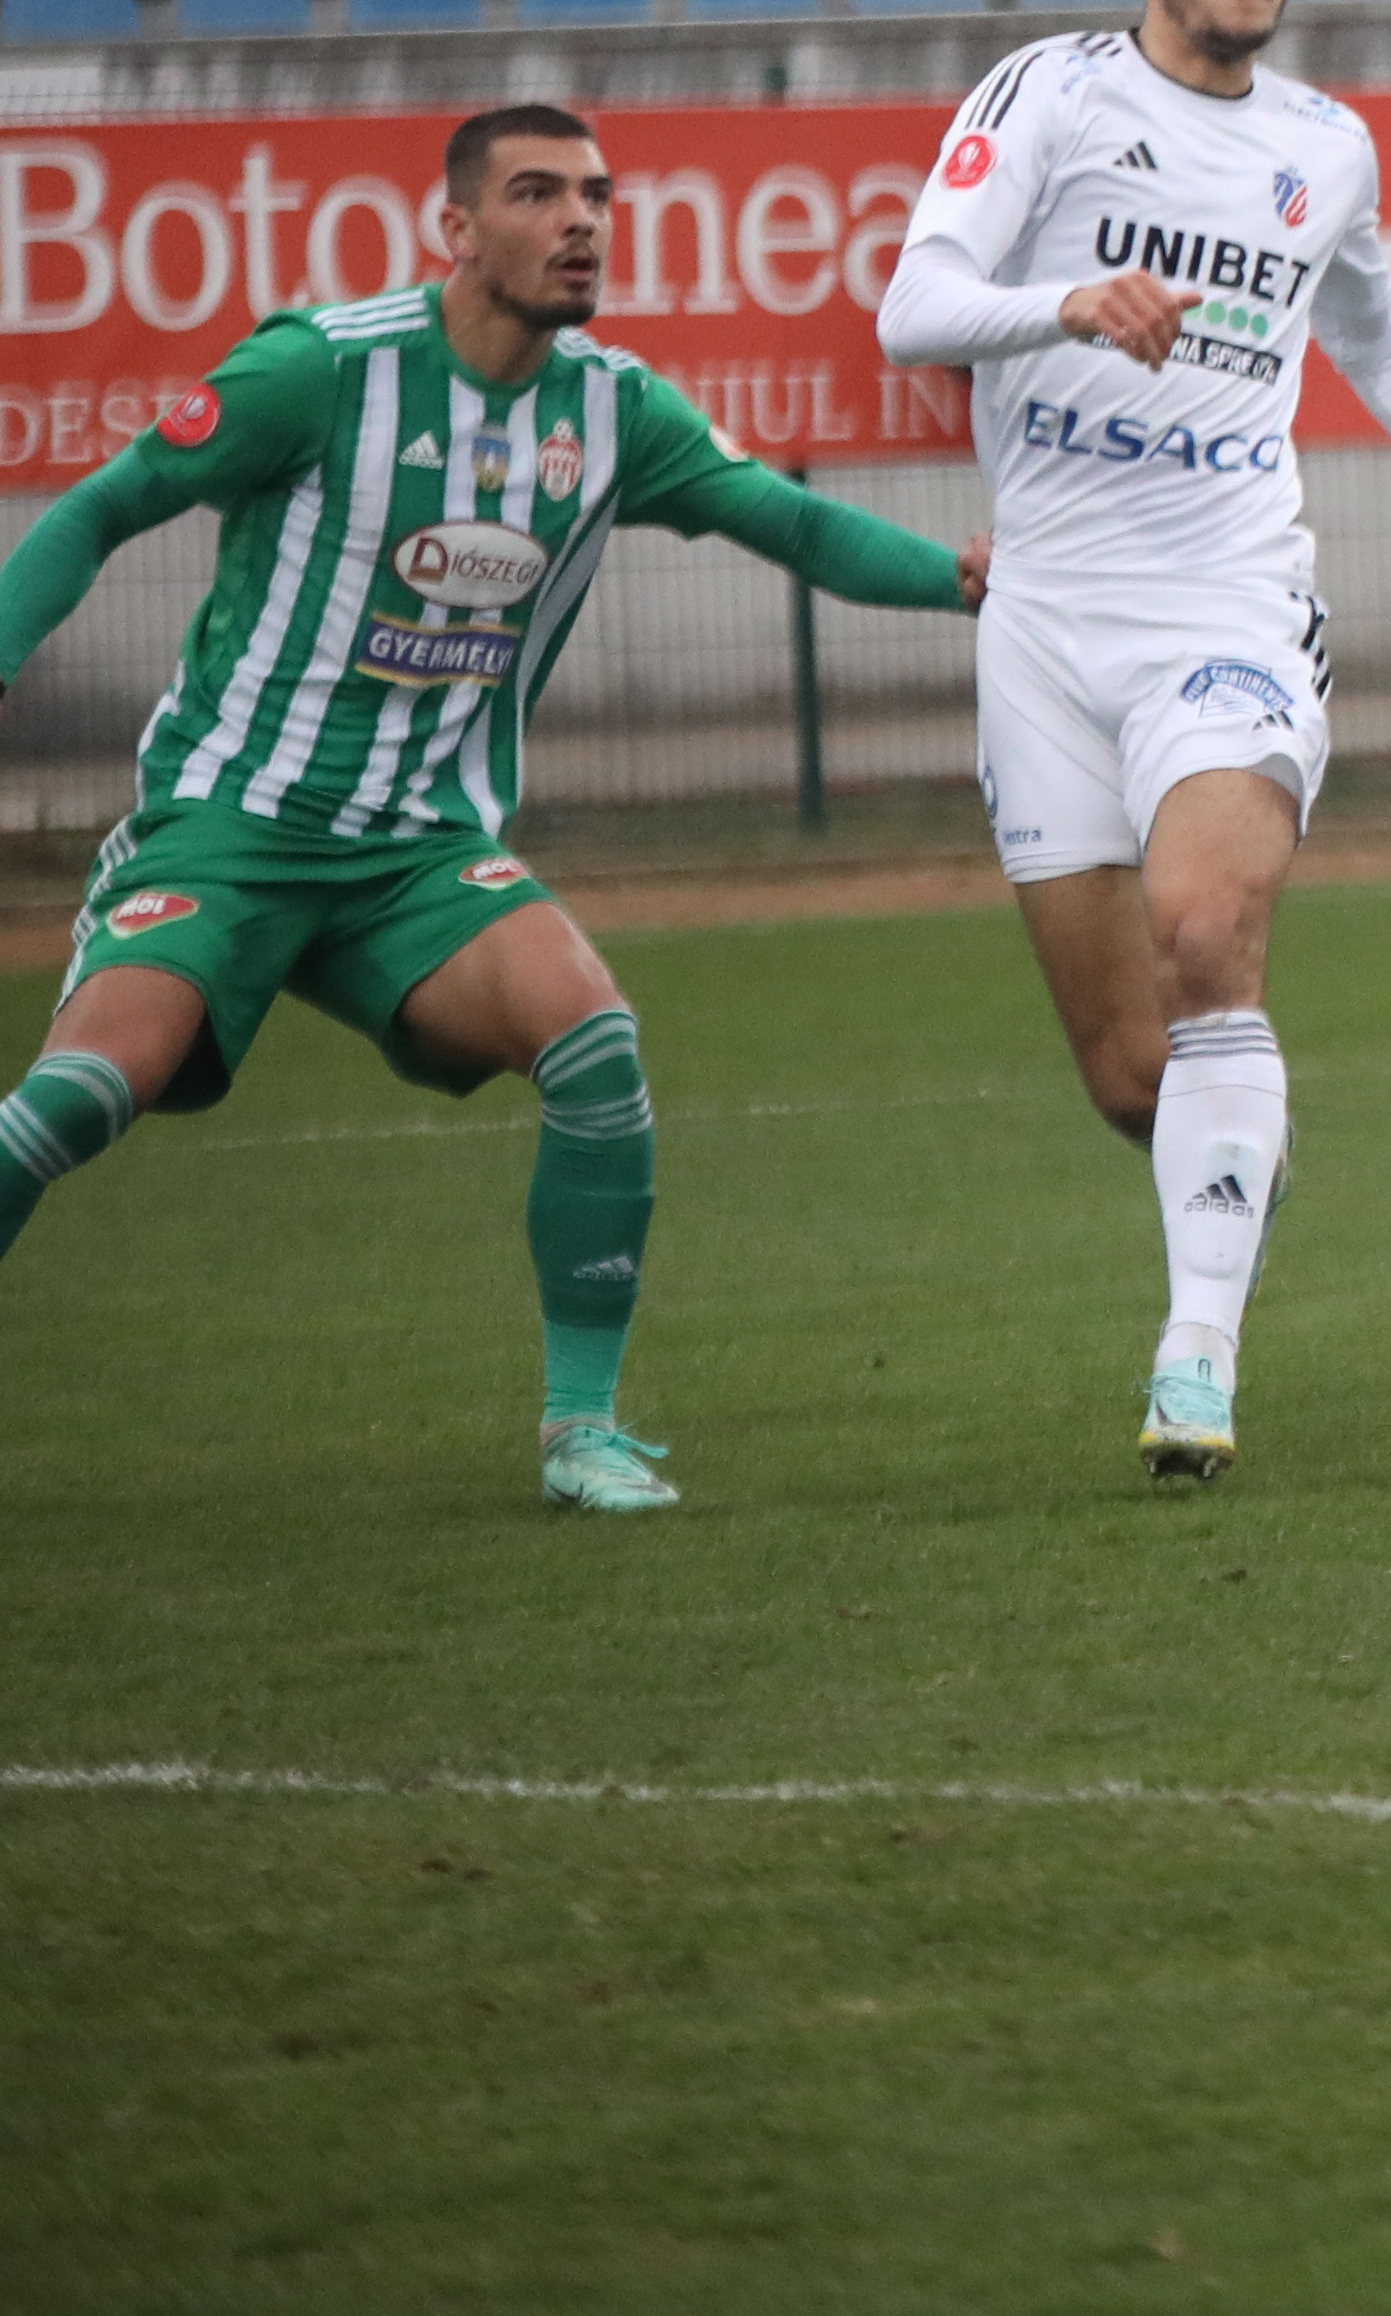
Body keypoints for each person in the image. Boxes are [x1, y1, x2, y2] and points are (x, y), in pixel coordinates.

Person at [0, 106, 980, 1511]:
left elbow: (798, 524)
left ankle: (581, 1433)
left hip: (420, 855)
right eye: (538, 194)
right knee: (82, 1096)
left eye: (598, 194)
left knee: (596, 1050)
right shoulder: (316, 373)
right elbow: (106, 504)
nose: (581, 220)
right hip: (235, 827)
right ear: (455, 228)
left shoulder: (615, 410)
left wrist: (960, 577)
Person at [875, 0, 1391, 1477]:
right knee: (1135, 1075)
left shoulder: (1324, 145)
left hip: (1231, 605)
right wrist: (1064, 301)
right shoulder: (1051, 96)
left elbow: (1375, 328)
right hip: (1048, 624)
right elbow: (912, 306)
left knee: (1208, 935)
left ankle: (1195, 1361)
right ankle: (1227, 1157)